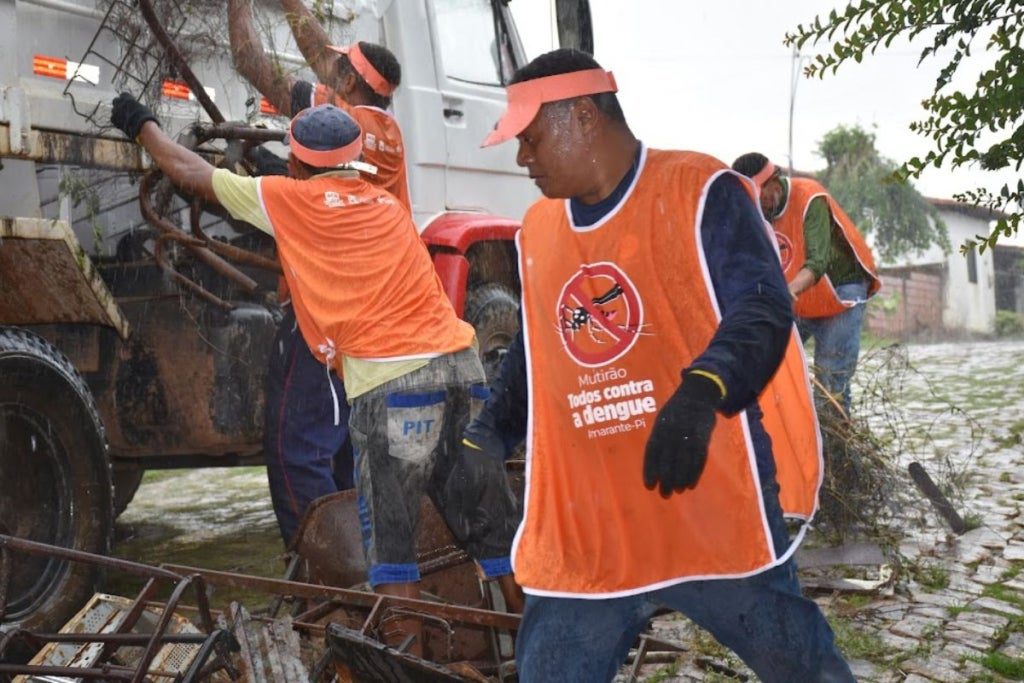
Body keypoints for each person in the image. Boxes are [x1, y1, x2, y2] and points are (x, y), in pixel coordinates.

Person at [447, 49, 853, 681]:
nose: (522, 158)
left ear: (583, 116)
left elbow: (764, 307)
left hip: (706, 500)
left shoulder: (699, 192)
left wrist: (703, 388)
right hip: (590, 527)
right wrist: (487, 432)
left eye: (530, 139)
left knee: (800, 665)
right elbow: (538, 347)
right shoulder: (539, 229)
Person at [108, 97, 521, 652]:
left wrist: (142, 126)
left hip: (393, 391)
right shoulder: (386, 207)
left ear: (296, 164)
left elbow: (190, 172)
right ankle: (532, 655)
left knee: (394, 568)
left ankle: (408, 667)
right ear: (355, 162)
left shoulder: (286, 200)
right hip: (463, 374)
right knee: (496, 542)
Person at [227, 0, 411, 545]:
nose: (324, 71)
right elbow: (315, 57)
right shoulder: (385, 131)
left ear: (350, 82)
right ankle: (358, 567)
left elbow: (250, 61)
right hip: (373, 313)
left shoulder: (339, 122)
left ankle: (319, 572)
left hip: (323, 312)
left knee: (295, 448)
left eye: (337, 69)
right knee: (344, 450)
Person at [731, 153, 881, 413]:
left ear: (774, 182)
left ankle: (837, 450)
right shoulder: (756, 214)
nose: (758, 204)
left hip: (840, 293)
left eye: (759, 195)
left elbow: (817, 263)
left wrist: (786, 292)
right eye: (750, 198)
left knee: (830, 387)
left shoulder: (809, 195)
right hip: (803, 298)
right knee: (769, 370)